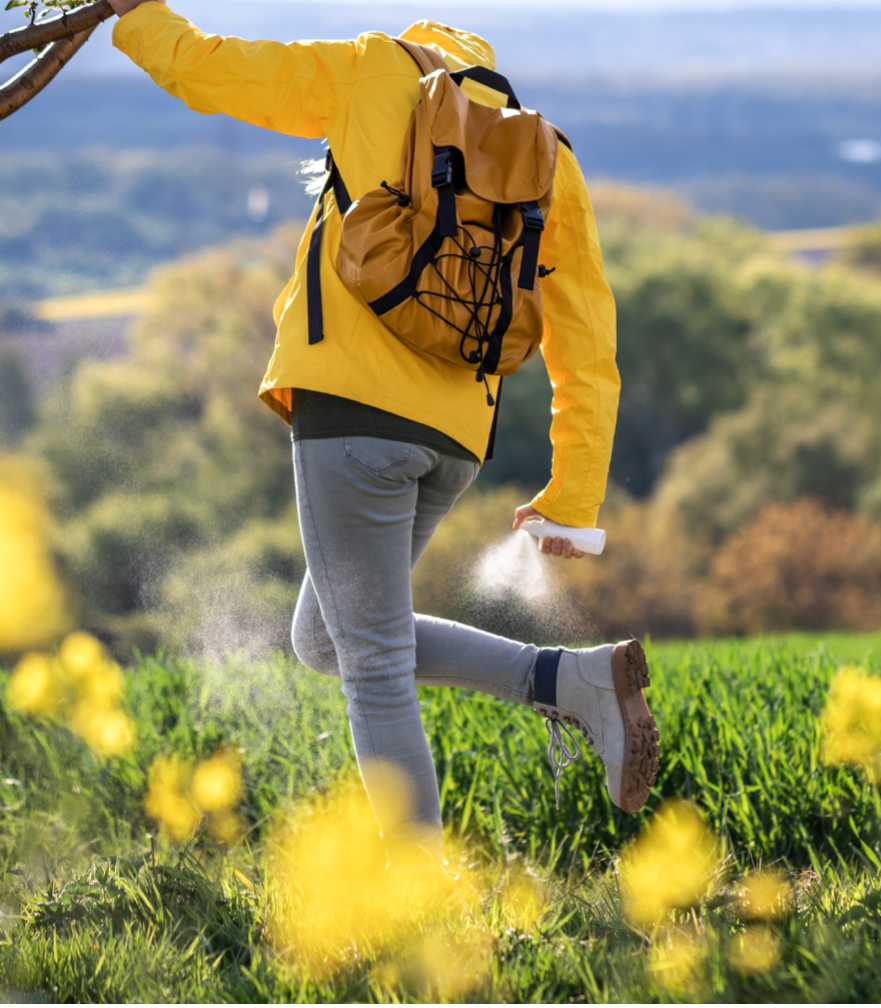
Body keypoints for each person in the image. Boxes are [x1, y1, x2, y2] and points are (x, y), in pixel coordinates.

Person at [107, 0, 660, 857]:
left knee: (369, 668)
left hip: (352, 417)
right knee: (325, 638)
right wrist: (572, 495)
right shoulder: (550, 155)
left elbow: (211, 69)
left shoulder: (374, 68)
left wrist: (138, 15)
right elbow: (586, 340)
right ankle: (568, 678)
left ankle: (420, 903)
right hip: (454, 440)